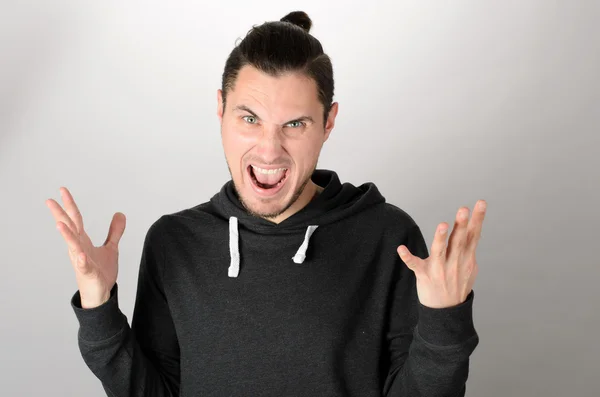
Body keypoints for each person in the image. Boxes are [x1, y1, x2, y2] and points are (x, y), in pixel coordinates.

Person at [46, 11, 487, 397]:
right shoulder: (174, 243)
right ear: (220, 109)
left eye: (295, 123)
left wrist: (443, 324)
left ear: (328, 122)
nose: (269, 150)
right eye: (249, 118)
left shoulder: (389, 239)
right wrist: (99, 306)